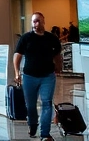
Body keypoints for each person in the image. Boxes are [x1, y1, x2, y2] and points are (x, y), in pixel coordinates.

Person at [13, 12, 63, 141]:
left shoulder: (51, 38)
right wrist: (17, 72)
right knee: (30, 105)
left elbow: (57, 55)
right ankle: (33, 124)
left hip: (47, 76)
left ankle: (45, 134)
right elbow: (17, 55)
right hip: (29, 76)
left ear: (43, 22)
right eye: (34, 21)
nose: (36, 24)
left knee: (47, 103)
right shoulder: (26, 38)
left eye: (38, 21)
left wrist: (58, 67)